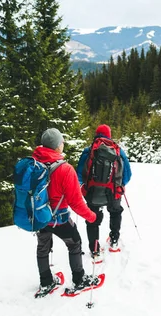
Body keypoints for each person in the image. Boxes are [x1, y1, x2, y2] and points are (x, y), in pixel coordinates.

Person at [32, 128, 100, 298]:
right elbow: (76, 203)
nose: (63, 144)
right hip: (59, 219)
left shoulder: (33, 164)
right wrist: (92, 217)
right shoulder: (65, 169)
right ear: (56, 146)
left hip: (40, 217)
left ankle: (46, 281)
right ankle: (79, 280)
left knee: (43, 247)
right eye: (61, 142)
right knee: (75, 243)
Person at [77, 124, 132, 260]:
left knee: (92, 218)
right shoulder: (118, 151)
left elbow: (79, 174)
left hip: (93, 191)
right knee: (115, 212)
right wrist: (121, 185)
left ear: (96, 134)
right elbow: (128, 174)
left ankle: (95, 250)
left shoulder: (89, 150)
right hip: (113, 191)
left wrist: (84, 186)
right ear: (109, 135)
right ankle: (114, 241)